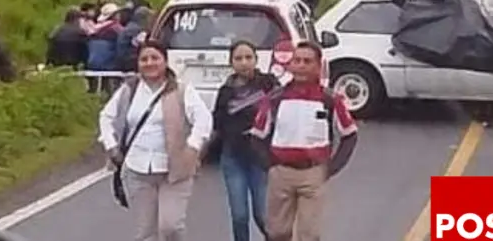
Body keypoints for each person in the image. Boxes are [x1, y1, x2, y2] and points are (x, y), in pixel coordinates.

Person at [98, 41, 213, 241]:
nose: (149, 63)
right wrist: (111, 146)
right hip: (137, 169)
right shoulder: (129, 90)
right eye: (144, 59)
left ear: (165, 61)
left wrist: (192, 148)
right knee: (146, 232)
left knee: (170, 227)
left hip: (175, 171)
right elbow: (106, 117)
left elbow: (203, 119)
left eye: (155, 58)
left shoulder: (181, 90)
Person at [249, 41, 359, 241]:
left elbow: (349, 134)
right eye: (297, 60)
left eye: (307, 61)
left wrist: (331, 167)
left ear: (318, 66)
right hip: (281, 173)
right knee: (277, 232)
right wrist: (270, 166)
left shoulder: (330, 100)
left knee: (310, 234)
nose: (300, 65)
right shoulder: (275, 99)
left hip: (313, 173)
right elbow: (257, 136)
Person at [213, 41, 281, 241]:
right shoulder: (225, 92)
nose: (244, 63)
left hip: (260, 158)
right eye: (238, 58)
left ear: (256, 59)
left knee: (263, 214)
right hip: (233, 158)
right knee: (239, 215)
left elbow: (281, 113)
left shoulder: (268, 84)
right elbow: (218, 124)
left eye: (248, 57)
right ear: (231, 63)